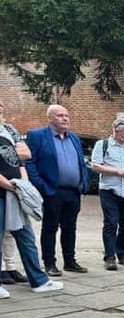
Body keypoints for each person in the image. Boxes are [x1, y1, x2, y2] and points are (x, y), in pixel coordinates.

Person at [0, 112, 64, 298]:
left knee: (26, 237)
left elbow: (22, 160)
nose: (1, 109)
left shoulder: (7, 132)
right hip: (5, 191)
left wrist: (23, 186)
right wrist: (10, 186)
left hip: (15, 193)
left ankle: (39, 280)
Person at [24, 104, 90, 276]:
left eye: (66, 115)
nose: (65, 118)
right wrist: (41, 186)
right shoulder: (37, 136)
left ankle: (70, 261)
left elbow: (80, 162)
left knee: (70, 227)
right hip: (52, 190)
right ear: (50, 118)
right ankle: (49, 263)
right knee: (50, 228)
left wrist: (83, 183)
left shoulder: (74, 138)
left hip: (73, 191)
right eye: (60, 115)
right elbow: (29, 162)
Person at [91, 118, 124, 270]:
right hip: (109, 189)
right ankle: (109, 256)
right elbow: (95, 166)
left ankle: (123, 253)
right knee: (111, 223)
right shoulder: (102, 145)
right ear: (115, 131)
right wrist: (116, 171)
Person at [0, 99, 30, 286]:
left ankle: (10, 267)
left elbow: (25, 153)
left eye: (1, 105)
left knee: (11, 229)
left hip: (13, 183)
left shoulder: (9, 129)